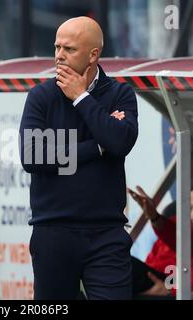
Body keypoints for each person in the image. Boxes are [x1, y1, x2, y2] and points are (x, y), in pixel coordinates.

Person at [19, 16, 138, 300]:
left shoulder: (121, 93)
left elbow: (120, 142)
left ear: (93, 54)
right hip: (53, 231)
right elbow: (33, 155)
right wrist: (96, 147)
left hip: (106, 233)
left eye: (69, 49)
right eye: (57, 47)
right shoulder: (41, 96)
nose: (59, 55)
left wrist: (82, 98)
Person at [128, 148, 193, 298]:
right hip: (158, 279)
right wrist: (154, 217)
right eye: (187, 175)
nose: (189, 182)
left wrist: (171, 290)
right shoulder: (176, 215)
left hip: (174, 286)